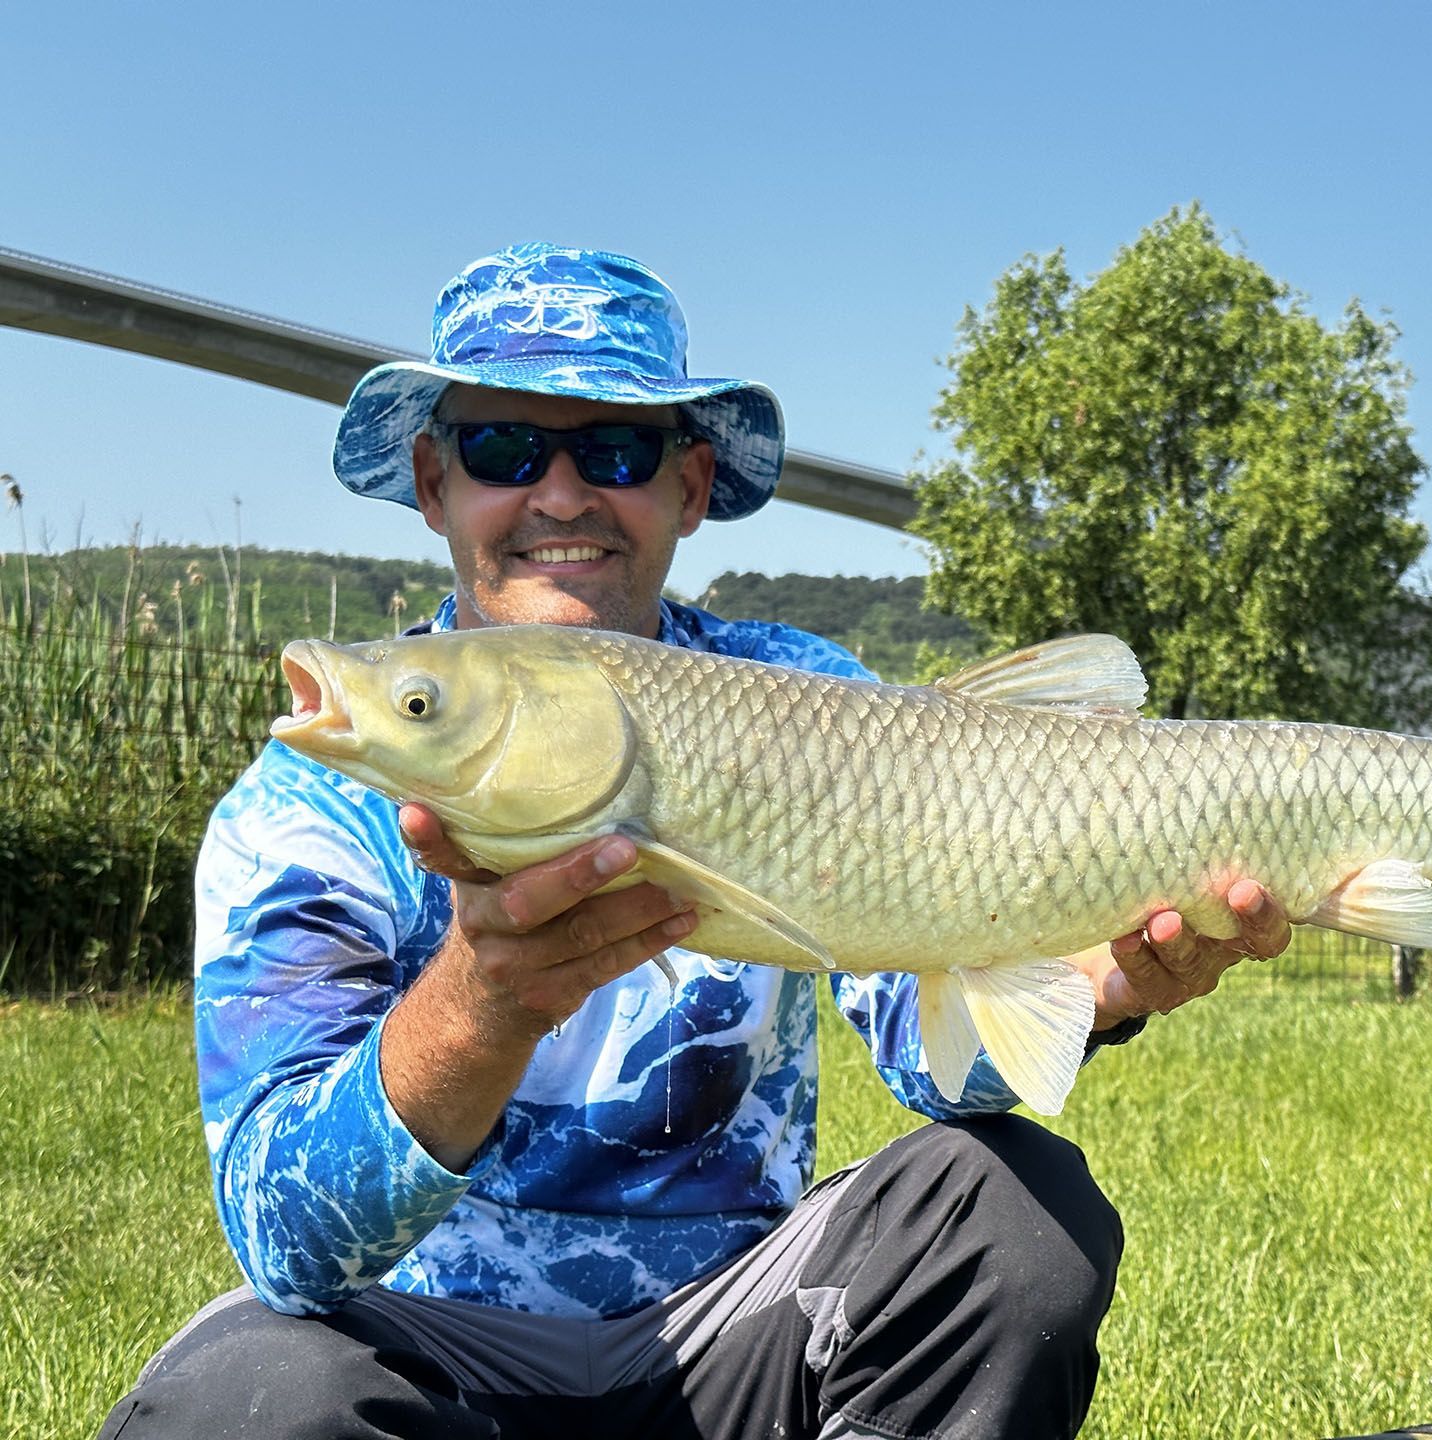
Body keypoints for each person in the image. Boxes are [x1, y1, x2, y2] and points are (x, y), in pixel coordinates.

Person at [97, 243, 1291, 1440]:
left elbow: (927, 1059)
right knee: (236, 1399)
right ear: (431, 482)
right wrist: (482, 1001)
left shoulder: (799, 692)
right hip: (431, 1362)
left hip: (743, 1341)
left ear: (689, 484)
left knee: (1013, 1213)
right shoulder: (309, 798)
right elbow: (286, 1243)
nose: (561, 496)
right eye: (504, 449)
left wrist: (1097, 984)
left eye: (614, 450)